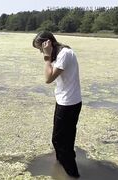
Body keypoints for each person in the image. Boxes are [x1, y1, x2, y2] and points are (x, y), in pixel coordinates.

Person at [32, 31, 82, 178]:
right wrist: (48, 55)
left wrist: (47, 56)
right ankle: (61, 166)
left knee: (60, 141)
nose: (41, 51)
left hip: (68, 103)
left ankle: (73, 174)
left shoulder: (64, 54)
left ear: (48, 43)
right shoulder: (60, 53)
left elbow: (48, 78)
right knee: (65, 139)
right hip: (65, 101)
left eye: (41, 48)